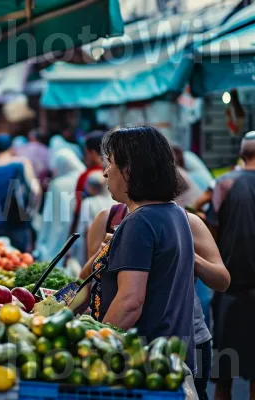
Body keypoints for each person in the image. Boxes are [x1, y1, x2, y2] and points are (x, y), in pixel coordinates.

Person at [82, 200, 229, 400]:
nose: (106, 172)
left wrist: (183, 251)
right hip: (128, 338)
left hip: (187, 339)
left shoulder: (186, 220)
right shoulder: (107, 218)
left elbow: (222, 280)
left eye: (111, 166)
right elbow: (85, 281)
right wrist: (111, 249)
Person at [96, 125, 197, 374]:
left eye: (110, 163)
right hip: (171, 358)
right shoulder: (175, 213)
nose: (105, 173)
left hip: (143, 362)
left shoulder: (139, 221)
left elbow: (130, 302)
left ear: (129, 170)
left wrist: (95, 345)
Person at [209, 132, 255, 400]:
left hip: (229, 294)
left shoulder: (225, 184)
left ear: (241, 155)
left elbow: (211, 237)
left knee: (224, 377)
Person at [0, 134, 41, 252]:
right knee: (21, 259)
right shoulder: (21, 163)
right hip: (19, 222)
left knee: (1, 261)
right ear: (11, 148)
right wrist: (33, 213)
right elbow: (36, 191)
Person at [35, 149, 85, 263]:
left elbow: (49, 211)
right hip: (78, 225)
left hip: (57, 225)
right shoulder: (83, 178)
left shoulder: (58, 183)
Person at [73, 171, 116, 266]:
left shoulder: (88, 203)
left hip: (91, 249)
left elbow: (86, 230)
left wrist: (87, 263)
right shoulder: (115, 202)